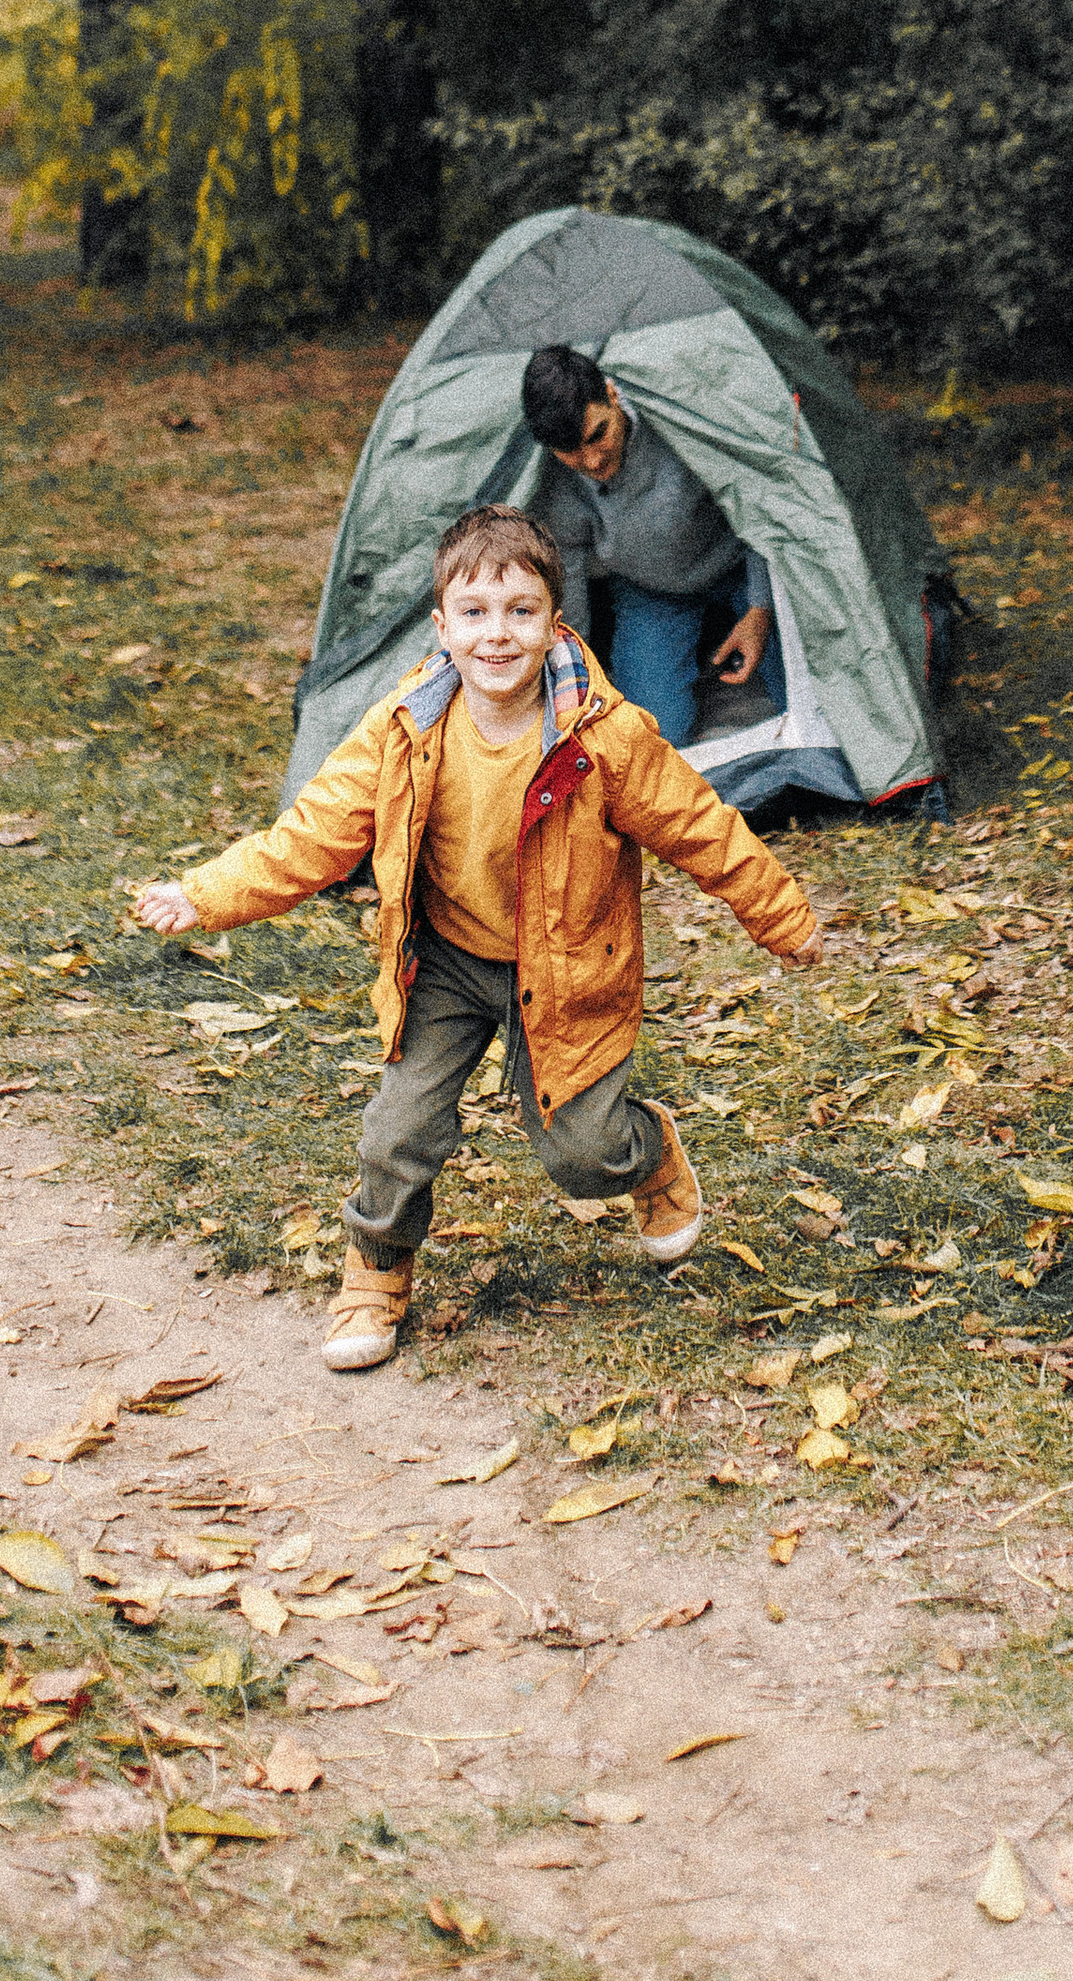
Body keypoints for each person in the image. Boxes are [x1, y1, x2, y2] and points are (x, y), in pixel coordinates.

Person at [131, 501, 822, 1372]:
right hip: (447, 963)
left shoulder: (602, 738)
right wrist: (205, 894)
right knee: (397, 1132)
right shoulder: (404, 730)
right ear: (442, 627)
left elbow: (701, 827)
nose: (498, 634)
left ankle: (647, 1155)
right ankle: (376, 1269)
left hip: (563, 969)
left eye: (521, 611)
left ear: (554, 624)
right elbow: (311, 834)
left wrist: (780, 914)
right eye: (475, 612)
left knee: (584, 1156)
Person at [520, 343, 775, 752]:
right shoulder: (555, 482)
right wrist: (574, 669)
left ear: (612, 396)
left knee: (807, 689)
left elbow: (758, 502)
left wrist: (760, 607)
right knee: (654, 738)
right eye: (571, 451)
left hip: (737, 568)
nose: (592, 461)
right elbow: (567, 575)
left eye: (598, 435)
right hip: (651, 594)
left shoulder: (672, 425)